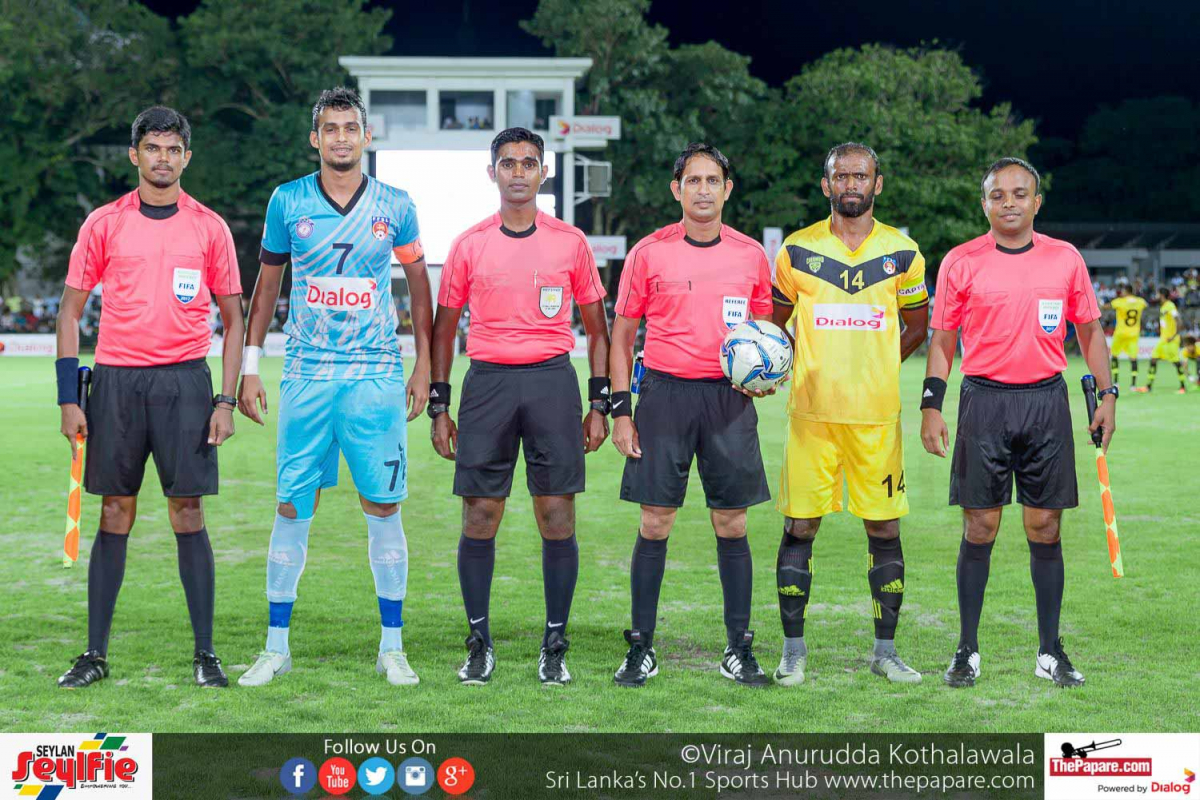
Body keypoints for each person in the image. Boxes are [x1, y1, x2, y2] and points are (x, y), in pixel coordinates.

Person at [236, 87, 433, 688]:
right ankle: (276, 647)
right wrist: (250, 365)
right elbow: (267, 285)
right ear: (314, 138)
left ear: (367, 136)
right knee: (293, 504)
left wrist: (424, 364)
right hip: (307, 373)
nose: (341, 138)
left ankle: (392, 648)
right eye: (331, 128)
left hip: (375, 372)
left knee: (384, 505)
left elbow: (419, 285)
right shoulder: (288, 200)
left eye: (351, 127)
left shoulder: (395, 204)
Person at [54, 106, 244, 689]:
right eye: (153, 148)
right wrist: (68, 397)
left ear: (187, 156)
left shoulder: (209, 227)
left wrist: (225, 400)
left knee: (188, 511)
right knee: (115, 509)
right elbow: (69, 311)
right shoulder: (104, 223)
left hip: (184, 383)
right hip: (116, 381)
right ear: (135, 155)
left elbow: (234, 318)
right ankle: (94, 654)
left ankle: (206, 654)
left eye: (173, 149)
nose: (163, 158)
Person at [921, 157, 1116, 689]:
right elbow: (943, 339)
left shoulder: (1065, 258)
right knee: (979, 526)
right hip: (984, 402)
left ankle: (1050, 650)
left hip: (1046, 402)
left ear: (1037, 201)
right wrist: (931, 404)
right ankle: (967, 649)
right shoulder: (961, 261)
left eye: (1019, 193)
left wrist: (1108, 395)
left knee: (1045, 526)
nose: (1008, 202)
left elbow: (1090, 331)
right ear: (984, 203)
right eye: (997, 194)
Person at [431, 127, 610, 686]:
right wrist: (440, 404)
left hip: (552, 382)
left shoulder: (570, 241)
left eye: (528, 163)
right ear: (492, 173)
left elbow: (598, 329)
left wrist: (599, 401)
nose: (517, 172)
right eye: (507, 163)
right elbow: (443, 331)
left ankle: (555, 645)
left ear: (543, 173)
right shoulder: (469, 244)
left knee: (556, 515)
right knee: (480, 514)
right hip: (487, 384)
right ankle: (478, 643)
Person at [609, 143, 774, 688]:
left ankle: (738, 648)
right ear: (676, 189)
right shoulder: (648, 253)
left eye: (713, 180)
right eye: (693, 180)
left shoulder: (752, 255)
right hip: (664, 397)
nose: (703, 189)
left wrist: (766, 375)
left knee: (733, 522)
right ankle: (640, 647)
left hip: (729, 400)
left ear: (728, 190)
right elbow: (622, 335)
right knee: (655, 521)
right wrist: (621, 410)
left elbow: (764, 334)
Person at [769, 142, 930, 686]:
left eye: (861, 176)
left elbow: (917, 325)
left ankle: (886, 652)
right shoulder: (797, 250)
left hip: (877, 419)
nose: (852, 184)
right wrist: (786, 364)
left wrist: (878, 365)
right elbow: (774, 325)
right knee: (800, 526)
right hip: (811, 416)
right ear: (827, 185)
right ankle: (793, 652)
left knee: (884, 528)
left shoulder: (903, 253)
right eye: (842, 176)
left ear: (877, 184)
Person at [1132, 287, 1186, 393]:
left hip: (1171, 340)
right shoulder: (1163, 306)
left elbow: (1178, 320)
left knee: (1176, 362)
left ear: (1162, 295)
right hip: (1163, 340)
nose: (1156, 296)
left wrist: (1174, 335)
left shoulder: (1170, 305)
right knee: (1153, 359)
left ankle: (1183, 387)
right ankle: (1148, 386)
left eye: (1157, 294)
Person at [1107, 281, 1147, 388]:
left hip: (1120, 333)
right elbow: (1146, 305)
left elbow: (1107, 306)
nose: (1121, 292)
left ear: (1126, 291)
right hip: (1134, 333)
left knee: (1115, 356)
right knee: (1133, 358)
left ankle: (1116, 382)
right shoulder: (1140, 301)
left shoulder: (1119, 301)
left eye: (1123, 291)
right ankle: (1133, 385)